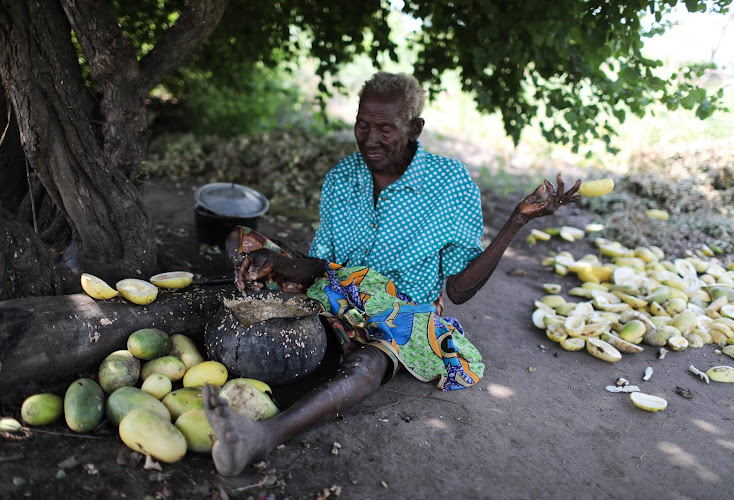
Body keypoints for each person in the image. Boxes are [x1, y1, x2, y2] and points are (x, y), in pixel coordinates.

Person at [202, 72, 581, 476]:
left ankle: (261, 438)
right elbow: (318, 265)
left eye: (385, 128)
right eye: (362, 125)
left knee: (367, 366)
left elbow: (459, 290)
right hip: (333, 289)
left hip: (402, 311)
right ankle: (311, 330)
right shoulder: (342, 177)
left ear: (414, 128)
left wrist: (516, 222)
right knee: (239, 240)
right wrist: (273, 262)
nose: (369, 139)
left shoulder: (450, 184)